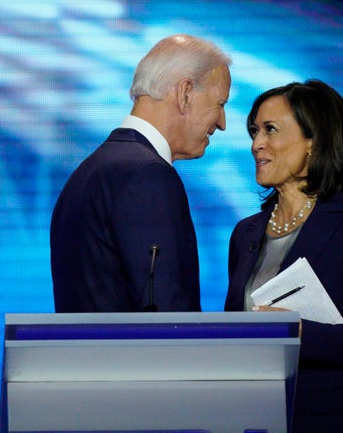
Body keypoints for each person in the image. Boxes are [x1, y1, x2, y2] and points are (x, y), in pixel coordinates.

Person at [225, 79, 343, 432]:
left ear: (313, 142)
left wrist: (298, 332)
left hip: (340, 418)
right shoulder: (245, 233)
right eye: (254, 131)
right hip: (260, 419)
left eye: (270, 130)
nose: (256, 144)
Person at [51, 34, 232, 312]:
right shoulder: (147, 176)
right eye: (220, 104)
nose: (222, 123)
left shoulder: (88, 172)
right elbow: (166, 317)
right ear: (185, 94)